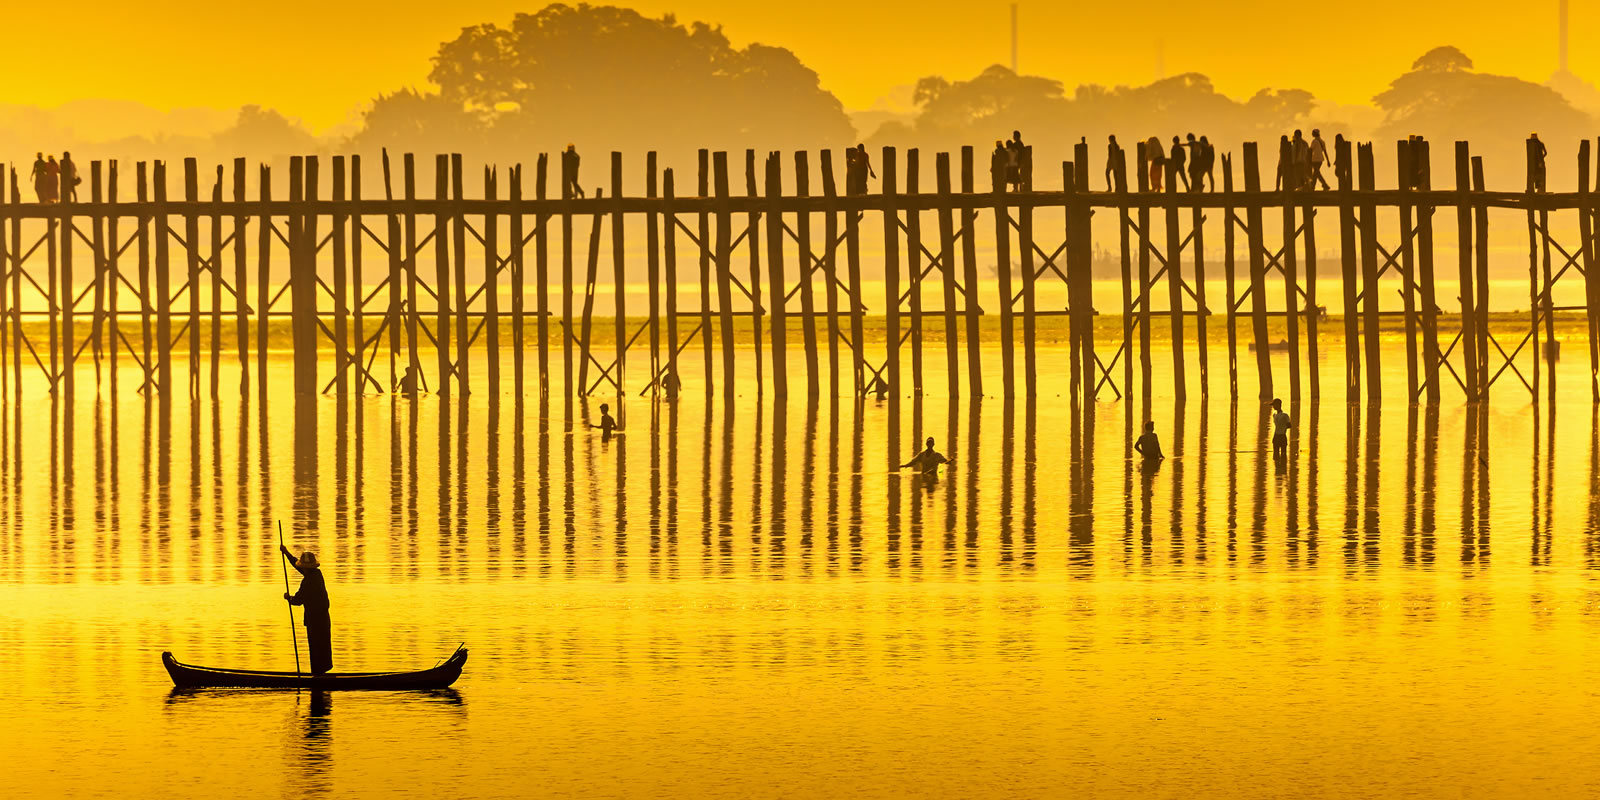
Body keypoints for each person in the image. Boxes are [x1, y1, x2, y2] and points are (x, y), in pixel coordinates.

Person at [280, 544, 332, 674]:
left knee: (317, 650)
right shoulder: (316, 574)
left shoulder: (308, 582)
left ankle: (318, 680)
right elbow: (297, 566)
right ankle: (319, 677)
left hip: (316, 622)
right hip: (322, 620)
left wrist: (288, 598)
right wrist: (286, 553)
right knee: (321, 649)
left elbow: (298, 600)